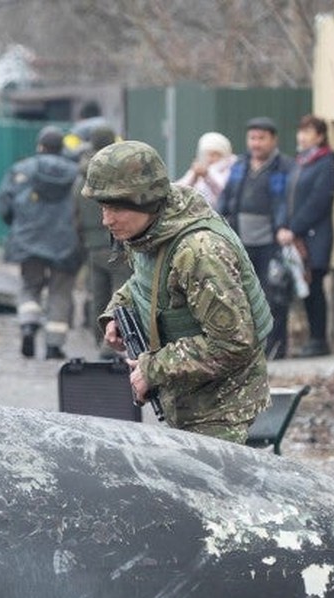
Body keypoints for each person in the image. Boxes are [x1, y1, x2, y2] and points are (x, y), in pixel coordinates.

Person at [83, 140, 272, 443]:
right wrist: (117, 311)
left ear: (144, 200)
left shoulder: (199, 252)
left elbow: (233, 343)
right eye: (103, 207)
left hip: (222, 410)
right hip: (188, 400)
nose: (106, 220)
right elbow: (148, 282)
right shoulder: (152, 231)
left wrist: (152, 369)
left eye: (116, 207)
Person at [0, 126, 81, 359]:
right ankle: (54, 345)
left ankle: (28, 324)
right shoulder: (76, 174)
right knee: (60, 292)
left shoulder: (21, 170)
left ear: (40, 146)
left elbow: (4, 204)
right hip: (66, 242)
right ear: (62, 147)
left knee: (30, 285)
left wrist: (17, 225)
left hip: (29, 239)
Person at [218, 117, 293, 359]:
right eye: (252, 138)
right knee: (241, 295)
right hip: (241, 242)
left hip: (271, 244)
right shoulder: (240, 165)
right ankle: (247, 348)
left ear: (273, 140)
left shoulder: (285, 167)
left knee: (274, 296)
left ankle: (275, 348)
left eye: (261, 138)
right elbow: (226, 199)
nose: (256, 144)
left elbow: (288, 204)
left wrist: (284, 226)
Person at [278, 115, 334, 357]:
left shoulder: (328, 162)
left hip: (315, 237)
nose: (301, 137)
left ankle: (319, 340)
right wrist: (283, 226)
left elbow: (319, 201)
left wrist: (295, 228)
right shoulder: (301, 162)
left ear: (321, 136)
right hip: (294, 236)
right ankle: (311, 339)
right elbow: (287, 197)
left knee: (314, 287)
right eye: (300, 131)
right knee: (303, 287)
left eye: (308, 132)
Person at [72, 125, 126, 356]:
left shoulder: (81, 175)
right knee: (122, 293)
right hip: (118, 241)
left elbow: (75, 211)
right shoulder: (117, 172)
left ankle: (98, 339)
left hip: (93, 243)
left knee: (98, 293)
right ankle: (112, 344)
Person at [173, 132, 236, 211]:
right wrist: (194, 177)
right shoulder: (199, 169)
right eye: (207, 154)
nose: (210, 159)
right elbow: (178, 190)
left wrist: (207, 175)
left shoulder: (232, 168)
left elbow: (225, 191)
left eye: (215, 154)